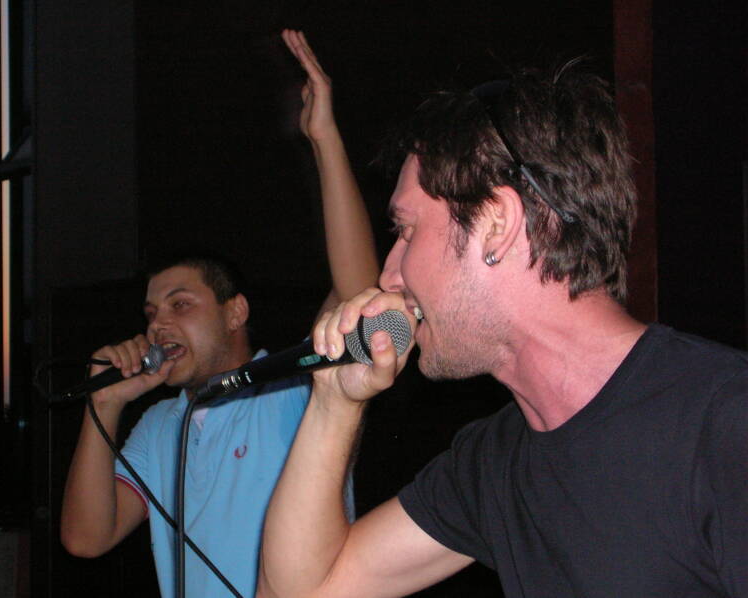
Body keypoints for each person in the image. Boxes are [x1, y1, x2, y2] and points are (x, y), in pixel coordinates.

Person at [257, 62, 748, 597]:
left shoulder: (723, 427)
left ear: (496, 224)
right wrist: (334, 402)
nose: (389, 275)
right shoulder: (494, 463)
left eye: (406, 231)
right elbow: (304, 591)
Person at [60, 29, 379, 598]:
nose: (158, 323)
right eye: (152, 311)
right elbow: (86, 538)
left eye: (181, 305)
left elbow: (358, 292)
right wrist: (104, 405)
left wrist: (324, 138)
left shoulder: (291, 386)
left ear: (236, 313)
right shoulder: (161, 426)